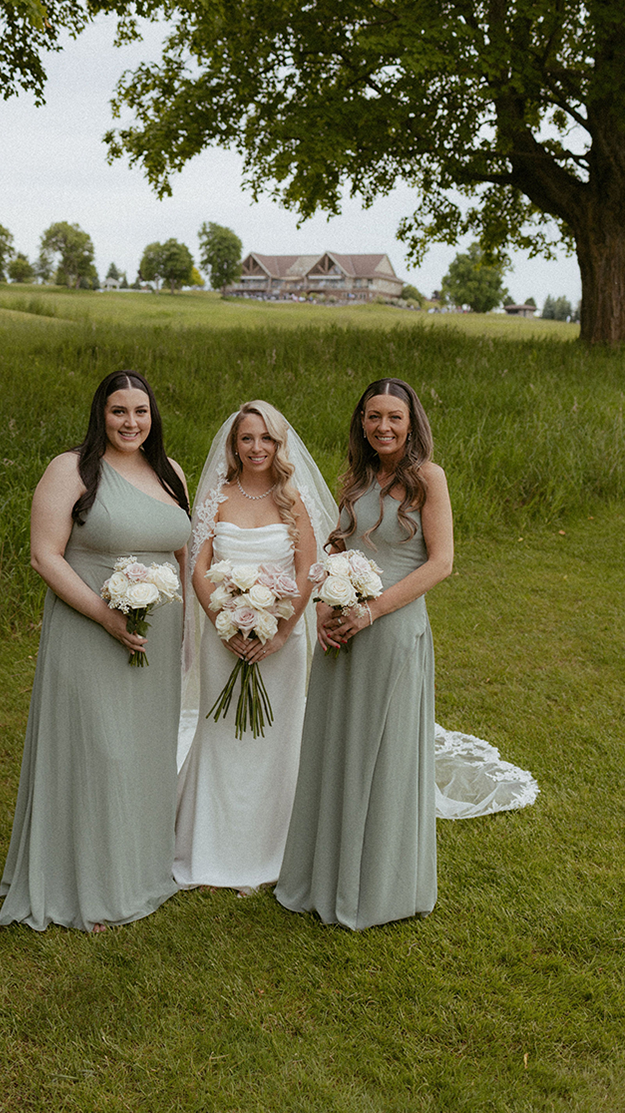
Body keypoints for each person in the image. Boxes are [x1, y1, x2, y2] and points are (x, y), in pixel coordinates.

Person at [0, 369, 190, 931]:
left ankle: (138, 872)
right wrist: (106, 615)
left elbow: (181, 552)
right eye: (118, 412)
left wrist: (188, 633)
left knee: (143, 754)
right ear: (100, 415)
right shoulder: (71, 469)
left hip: (155, 637)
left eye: (140, 412)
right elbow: (45, 556)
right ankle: (87, 886)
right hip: (88, 629)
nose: (131, 422)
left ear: (152, 417)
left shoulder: (171, 472)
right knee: (99, 752)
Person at [275, 377, 454, 930]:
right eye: (373, 416)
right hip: (343, 631)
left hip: (393, 631)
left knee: (386, 752)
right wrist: (327, 610)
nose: (383, 427)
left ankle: (378, 885)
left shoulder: (428, 479)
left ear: (411, 422)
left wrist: (372, 612)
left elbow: (440, 562)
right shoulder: (355, 477)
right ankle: (325, 874)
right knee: (338, 748)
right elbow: (339, 548)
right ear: (361, 421)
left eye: (393, 417)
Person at [174, 400, 338, 892]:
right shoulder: (217, 497)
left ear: (279, 444)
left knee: (276, 739)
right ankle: (210, 850)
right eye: (247, 438)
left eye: (267, 438)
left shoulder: (295, 499)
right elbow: (197, 568)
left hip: (282, 640)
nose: (257, 447)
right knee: (221, 733)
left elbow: (310, 568)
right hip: (222, 637)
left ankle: (273, 848)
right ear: (234, 445)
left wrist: (282, 631)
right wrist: (223, 624)